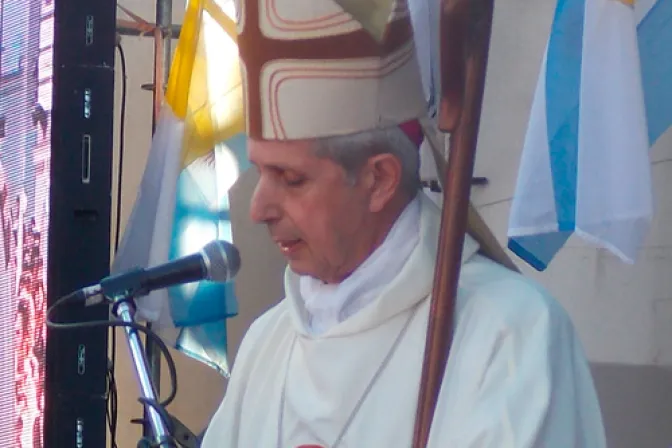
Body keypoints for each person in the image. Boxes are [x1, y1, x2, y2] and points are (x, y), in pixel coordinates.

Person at [201, 0, 607, 446]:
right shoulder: (267, 343)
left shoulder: (512, 337)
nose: (259, 210)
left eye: (292, 179)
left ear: (379, 180)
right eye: (261, 172)